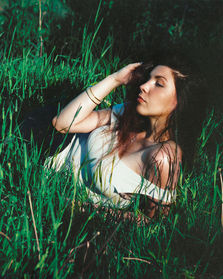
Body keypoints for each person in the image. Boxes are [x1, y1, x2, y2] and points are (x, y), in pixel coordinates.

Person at [47, 54, 203, 221]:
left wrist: (84, 208)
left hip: (52, 190)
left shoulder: (164, 157)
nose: (144, 86)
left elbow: (152, 222)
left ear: (179, 101)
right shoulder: (129, 112)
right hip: (46, 143)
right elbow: (62, 124)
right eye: (148, 79)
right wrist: (115, 79)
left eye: (158, 84)